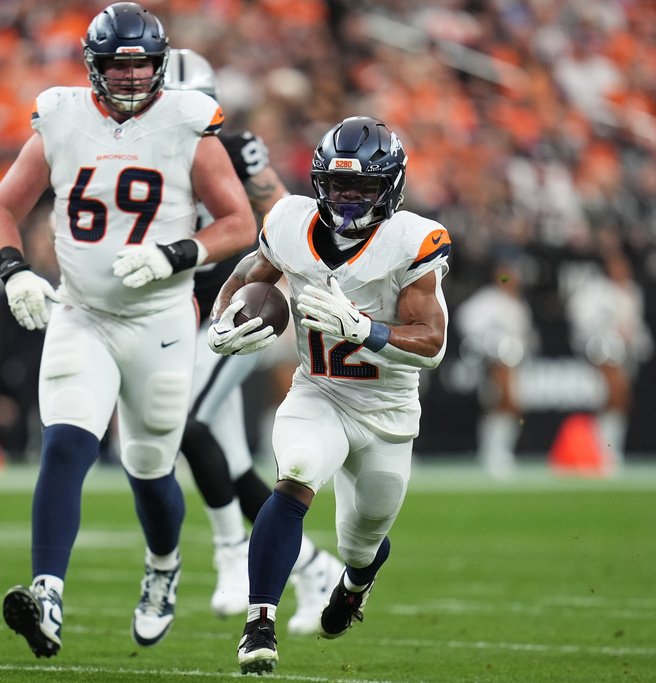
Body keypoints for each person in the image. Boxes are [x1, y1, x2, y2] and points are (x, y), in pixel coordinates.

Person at [0, 2, 256, 658]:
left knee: (149, 469)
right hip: (83, 314)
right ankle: (47, 592)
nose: (131, 77)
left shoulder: (188, 121)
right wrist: (14, 271)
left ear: (160, 65)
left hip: (161, 322)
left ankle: (163, 567)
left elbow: (239, 222)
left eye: (142, 65)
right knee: (64, 444)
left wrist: (175, 254)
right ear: (93, 66)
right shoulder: (62, 117)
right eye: (118, 65)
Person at [206, 116, 450, 674]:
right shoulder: (290, 222)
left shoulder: (410, 241)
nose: (349, 198)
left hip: (386, 411)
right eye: (340, 185)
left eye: (363, 187)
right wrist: (221, 320)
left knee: (361, 541)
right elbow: (250, 273)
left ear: (390, 187)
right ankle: (259, 623)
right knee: (295, 473)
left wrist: (365, 330)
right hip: (318, 392)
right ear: (320, 181)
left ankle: (355, 584)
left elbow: (433, 343)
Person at [163, 48, 344, 629]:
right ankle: (315, 568)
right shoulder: (133, 156)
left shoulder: (236, 150)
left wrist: (293, 283)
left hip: (229, 314)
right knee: (232, 465)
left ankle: (231, 552)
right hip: (171, 320)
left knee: (184, 424)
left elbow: (289, 217)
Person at [565, 248, 652, 473]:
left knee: (620, 401)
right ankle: (602, 452)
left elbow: (635, 326)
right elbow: (580, 317)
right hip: (600, 350)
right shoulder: (596, 290)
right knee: (612, 394)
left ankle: (610, 450)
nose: (621, 270)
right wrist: (607, 330)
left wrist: (637, 340)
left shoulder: (632, 292)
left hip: (626, 355)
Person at [455, 255, 538, 479]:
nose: (510, 279)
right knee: (498, 404)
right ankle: (491, 453)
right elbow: (466, 320)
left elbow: (524, 335)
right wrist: (488, 345)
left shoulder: (518, 304)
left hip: (515, 362)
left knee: (512, 406)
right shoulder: (487, 300)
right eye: (506, 275)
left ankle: (500, 451)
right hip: (493, 363)